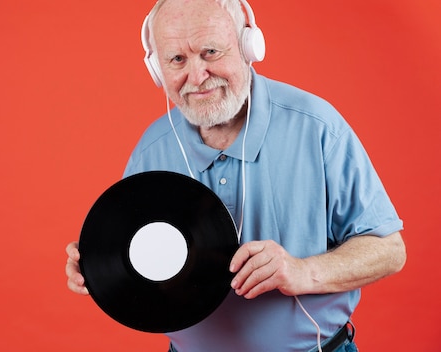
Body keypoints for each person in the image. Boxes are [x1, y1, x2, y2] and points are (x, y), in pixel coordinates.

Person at [65, 0, 407, 350]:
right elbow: (132, 263)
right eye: (177, 60)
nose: (197, 77)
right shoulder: (150, 151)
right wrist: (99, 265)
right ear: (156, 69)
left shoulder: (317, 127)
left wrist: (303, 271)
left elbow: (390, 250)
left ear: (249, 47)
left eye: (210, 51)